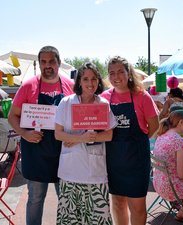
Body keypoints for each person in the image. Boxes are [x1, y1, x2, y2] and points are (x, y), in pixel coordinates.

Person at [8, 46, 74, 225]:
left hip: (64, 153)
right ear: (39, 64)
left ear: (59, 63)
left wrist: (74, 136)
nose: (48, 66)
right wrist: (24, 133)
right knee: (36, 199)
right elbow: (12, 116)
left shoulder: (71, 86)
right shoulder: (28, 86)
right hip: (36, 153)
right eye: (43, 62)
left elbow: (78, 116)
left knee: (67, 199)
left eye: (51, 61)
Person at [55, 62, 117, 224]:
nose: (90, 83)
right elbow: (58, 134)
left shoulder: (103, 104)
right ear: (79, 82)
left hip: (95, 173)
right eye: (86, 79)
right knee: (71, 219)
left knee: (98, 218)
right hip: (70, 172)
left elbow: (109, 135)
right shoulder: (66, 103)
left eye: (94, 79)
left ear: (98, 81)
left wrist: (84, 138)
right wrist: (80, 138)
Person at [101, 56, 159, 225]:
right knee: (118, 203)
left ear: (129, 73)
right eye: (112, 73)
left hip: (136, 160)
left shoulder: (142, 96)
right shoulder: (104, 98)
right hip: (113, 160)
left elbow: (154, 126)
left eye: (120, 71)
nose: (116, 76)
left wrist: (136, 142)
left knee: (138, 207)